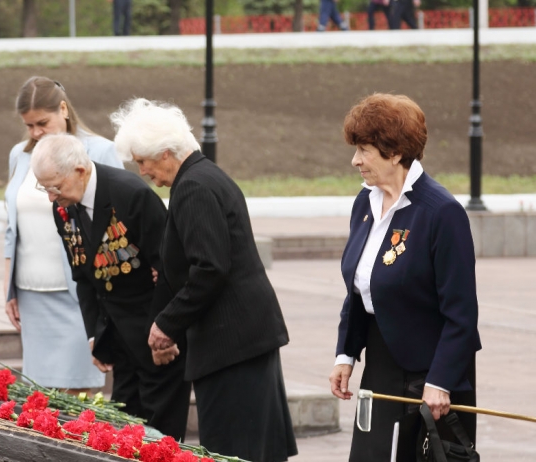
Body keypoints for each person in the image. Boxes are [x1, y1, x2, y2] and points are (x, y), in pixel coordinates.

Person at [111, 98, 297, 461]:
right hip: (243, 340)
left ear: (165, 153)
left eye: (142, 161)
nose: (142, 171)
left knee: (236, 450)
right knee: (253, 448)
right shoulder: (203, 175)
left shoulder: (193, 186)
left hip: (233, 345)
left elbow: (210, 268)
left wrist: (166, 324)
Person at [328, 93, 481, 462]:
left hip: (431, 376)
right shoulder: (364, 203)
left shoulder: (442, 214)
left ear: (395, 152)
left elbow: (461, 313)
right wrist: (346, 353)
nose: (355, 160)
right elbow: (359, 287)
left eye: (364, 150)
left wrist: (441, 381)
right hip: (381, 369)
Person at [30, 133, 191, 440]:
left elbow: (170, 269)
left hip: (157, 337)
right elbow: (82, 277)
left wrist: (165, 333)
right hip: (118, 338)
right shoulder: (64, 207)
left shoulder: (130, 195)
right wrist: (94, 334)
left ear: (79, 171)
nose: (51, 196)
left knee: (162, 438)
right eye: (44, 187)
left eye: (54, 186)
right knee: (124, 434)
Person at [4, 77, 121, 395]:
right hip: (32, 294)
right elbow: (12, 226)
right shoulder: (20, 155)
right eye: (29, 126)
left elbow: (116, 220)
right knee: (39, 395)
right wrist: (9, 286)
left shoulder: (99, 150)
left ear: (64, 109)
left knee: (77, 394)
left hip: (77, 295)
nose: (35, 133)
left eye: (42, 122)